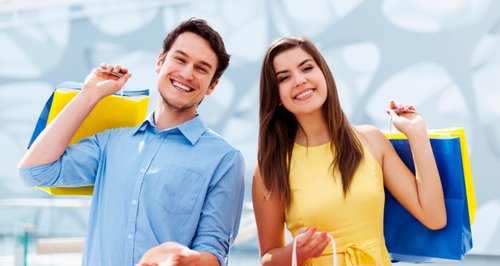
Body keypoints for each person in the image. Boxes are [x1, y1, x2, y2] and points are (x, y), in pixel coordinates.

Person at [18, 18, 245, 266]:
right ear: (160, 62)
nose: (187, 73)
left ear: (212, 85)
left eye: (201, 68)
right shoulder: (113, 141)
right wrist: (90, 94)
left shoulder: (224, 159)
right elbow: (34, 171)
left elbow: (214, 254)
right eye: (180, 59)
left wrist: (182, 261)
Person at [252, 36, 447, 266]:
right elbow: (268, 258)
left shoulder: (371, 140)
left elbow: (434, 217)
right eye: (284, 78)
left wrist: (416, 134)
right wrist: (297, 252)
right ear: (276, 97)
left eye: (307, 68)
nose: (299, 80)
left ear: (324, 74)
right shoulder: (270, 168)